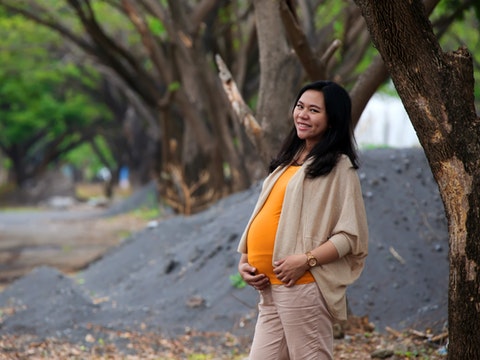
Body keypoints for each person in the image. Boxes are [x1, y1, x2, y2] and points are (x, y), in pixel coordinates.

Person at [237, 80, 369, 359]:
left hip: (302, 286)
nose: (302, 115)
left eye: (313, 110)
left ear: (332, 119)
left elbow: (349, 236)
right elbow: (263, 213)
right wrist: (245, 259)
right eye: (300, 107)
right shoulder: (289, 160)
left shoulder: (338, 167)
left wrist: (305, 260)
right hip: (269, 288)